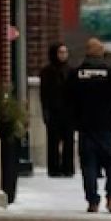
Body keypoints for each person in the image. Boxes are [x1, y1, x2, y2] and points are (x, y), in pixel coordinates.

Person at [71, 37, 111, 213]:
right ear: (101, 53)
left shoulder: (77, 74)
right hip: (105, 125)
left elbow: (68, 100)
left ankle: (92, 201)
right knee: (110, 163)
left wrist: (74, 120)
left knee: (88, 164)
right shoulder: (108, 73)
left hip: (86, 126)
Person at [39, 42, 74, 177]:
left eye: (65, 52)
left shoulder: (70, 71)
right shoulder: (47, 72)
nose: (63, 55)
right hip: (54, 110)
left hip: (68, 110)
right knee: (53, 140)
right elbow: (44, 93)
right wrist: (46, 110)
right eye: (60, 52)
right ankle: (54, 168)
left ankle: (68, 167)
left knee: (68, 140)